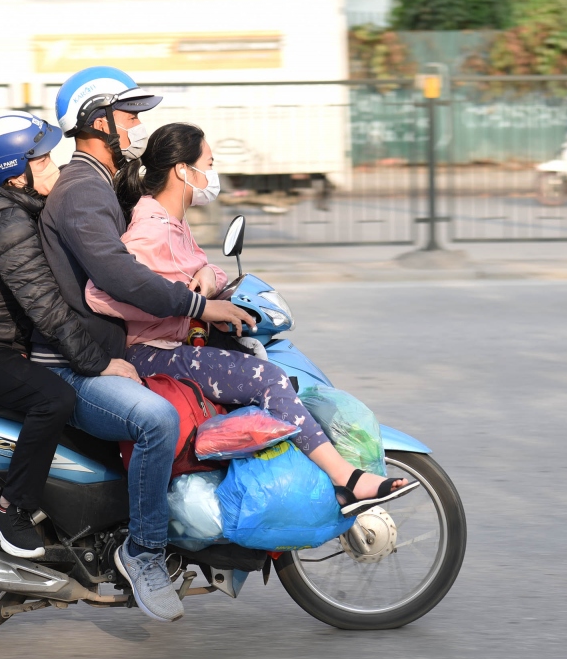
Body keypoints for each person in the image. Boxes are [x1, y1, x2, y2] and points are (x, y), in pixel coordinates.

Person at [81, 121, 419, 518]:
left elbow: (205, 270)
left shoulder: (175, 221)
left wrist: (208, 277)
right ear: (182, 171)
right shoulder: (152, 228)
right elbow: (99, 294)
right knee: (267, 378)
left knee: (268, 364)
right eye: (209, 162)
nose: (213, 172)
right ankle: (346, 479)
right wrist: (187, 304)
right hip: (154, 354)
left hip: (181, 343)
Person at [33, 66, 253, 624]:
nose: (135, 125)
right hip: (74, 364)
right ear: (96, 120)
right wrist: (198, 305)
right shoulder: (82, 190)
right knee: (157, 421)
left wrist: (204, 284)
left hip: (100, 354)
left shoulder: (98, 184)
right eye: (127, 114)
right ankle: (145, 551)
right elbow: (121, 278)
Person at [0, 112, 145, 560]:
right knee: (53, 399)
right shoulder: (5, 224)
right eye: (40, 160)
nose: (54, 166)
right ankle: (7, 510)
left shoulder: (3, 204)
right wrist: (97, 362)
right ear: (12, 172)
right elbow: (46, 307)